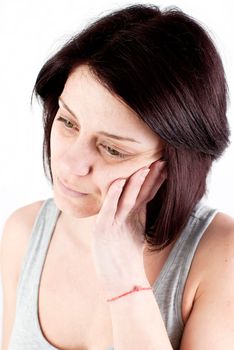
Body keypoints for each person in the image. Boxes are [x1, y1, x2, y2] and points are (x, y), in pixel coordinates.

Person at [1, 3, 234, 350]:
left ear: (173, 163)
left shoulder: (220, 256)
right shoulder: (24, 232)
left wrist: (124, 277)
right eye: (67, 122)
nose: (71, 164)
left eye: (112, 149)